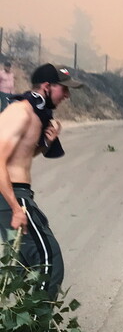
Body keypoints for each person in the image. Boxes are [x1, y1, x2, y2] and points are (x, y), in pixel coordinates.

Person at [0, 63, 84, 298]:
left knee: (19, 268)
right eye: (64, 89)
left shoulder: (37, 115)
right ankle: (37, 323)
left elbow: (20, 157)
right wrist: (16, 208)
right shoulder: (21, 112)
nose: (67, 95)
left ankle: (17, 321)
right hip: (12, 195)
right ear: (47, 86)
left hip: (17, 193)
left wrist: (46, 143)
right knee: (49, 261)